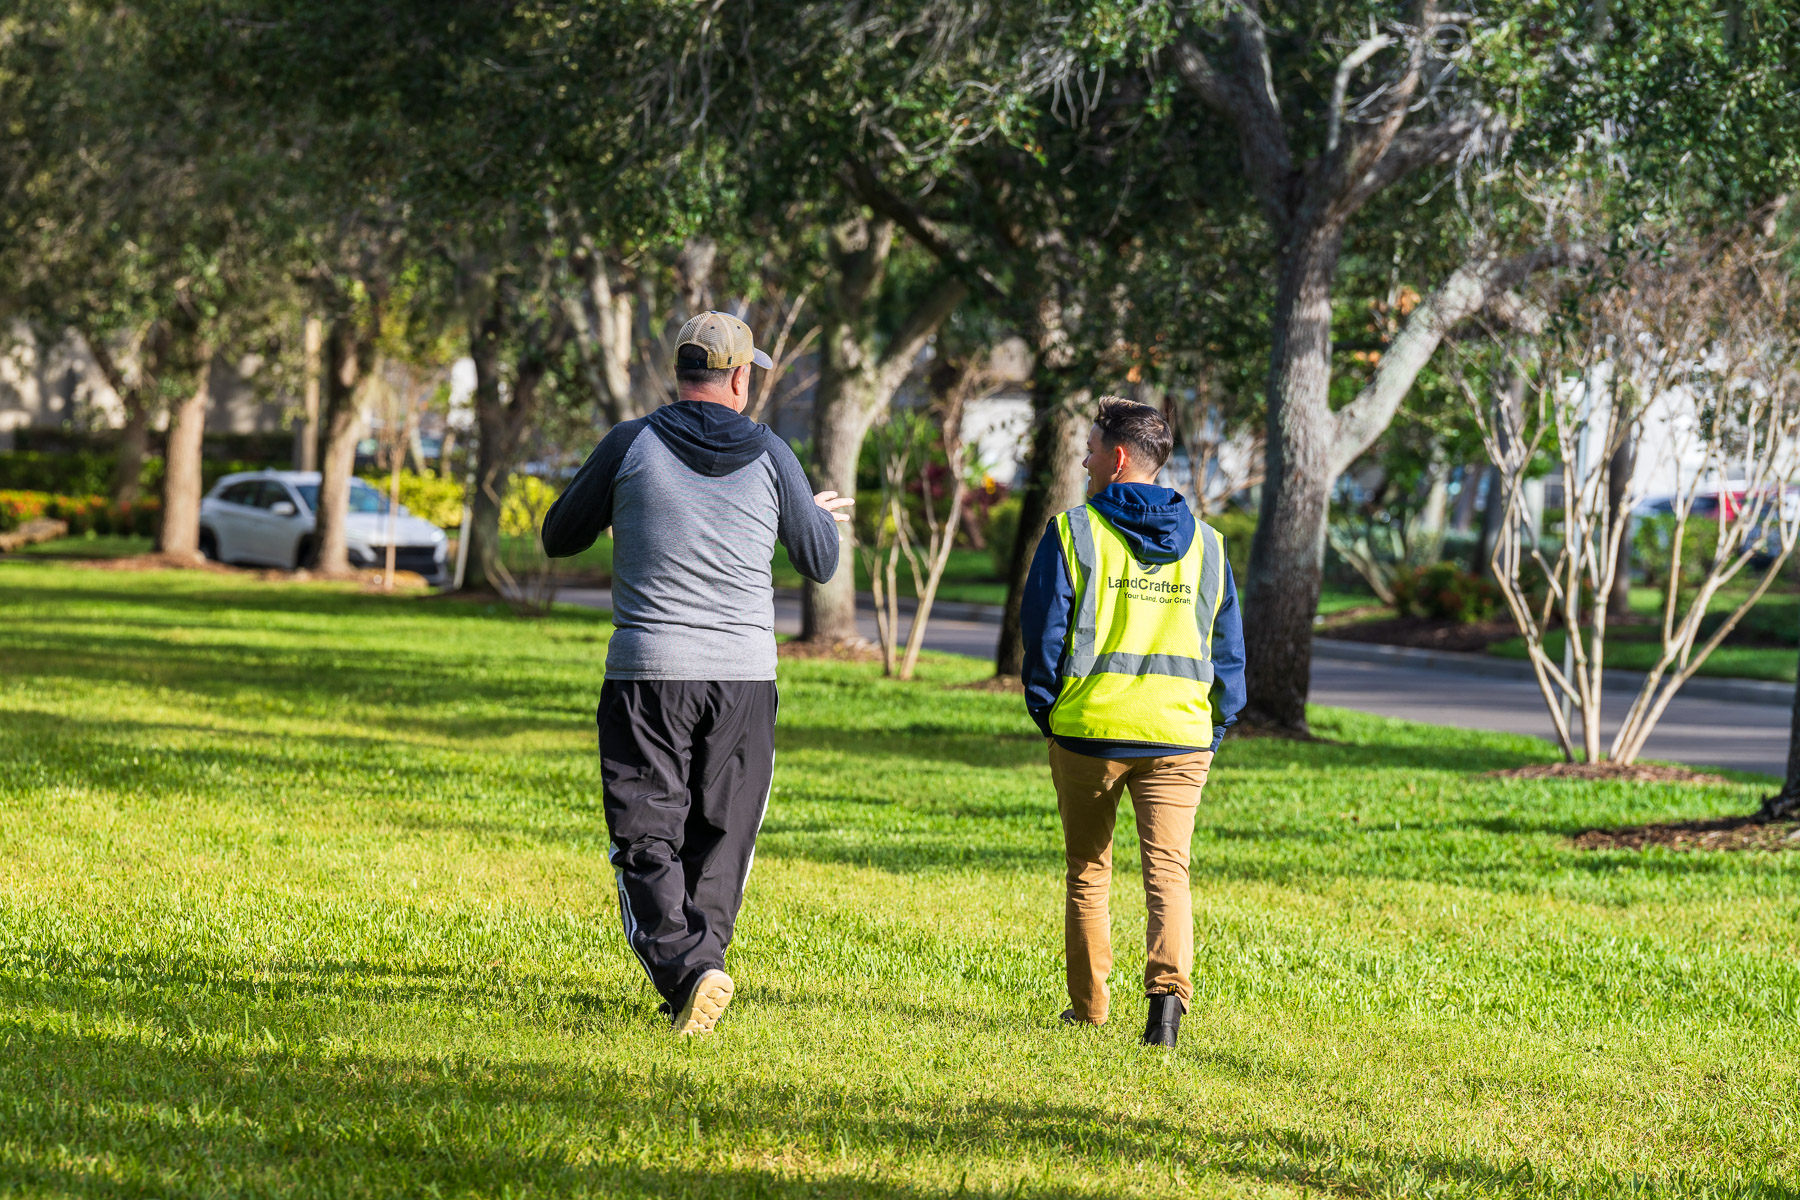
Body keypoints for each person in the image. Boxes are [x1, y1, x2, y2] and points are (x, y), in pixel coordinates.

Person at [541, 311, 851, 1035]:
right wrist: (808, 513)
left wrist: (625, 499)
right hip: (743, 678)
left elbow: (559, 536)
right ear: (741, 378)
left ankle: (690, 974)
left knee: (646, 833)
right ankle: (698, 970)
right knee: (722, 836)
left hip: (648, 673)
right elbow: (821, 563)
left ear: (678, 373)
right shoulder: (775, 455)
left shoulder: (630, 443)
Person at [1019, 396, 1246, 1049]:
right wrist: (1213, 726)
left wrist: (1049, 714)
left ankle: (1089, 1009)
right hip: (1180, 736)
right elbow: (1228, 655)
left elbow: (1041, 639)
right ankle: (1165, 1017)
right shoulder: (1208, 545)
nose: (1085, 461)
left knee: (1089, 870)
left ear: (1117, 458)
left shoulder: (1073, 533)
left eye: (1090, 449)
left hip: (1089, 732)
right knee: (1168, 873)